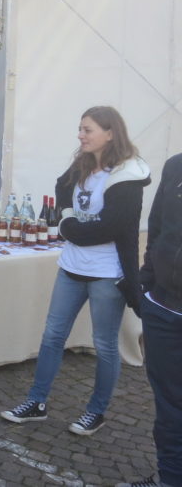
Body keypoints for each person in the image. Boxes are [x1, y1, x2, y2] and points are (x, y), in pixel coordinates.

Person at [1, 106, 150, 436]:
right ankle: (36, 402)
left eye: (87, 129)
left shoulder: (127, 175)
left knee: (105, 345)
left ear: (110, 133)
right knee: (52, 336)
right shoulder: (82, 164)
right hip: (71, 268)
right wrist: (68, 216)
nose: (80, 135)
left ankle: (96, 412)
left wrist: (69, 228)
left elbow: (112, 227)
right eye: (80, 129)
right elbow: (61, 186)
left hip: (107, 273)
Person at [117, 153, 182, 487]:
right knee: (170, 408)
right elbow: (156, 229)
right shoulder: (176, 166)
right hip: (164, 309)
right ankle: (169, 479)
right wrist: (146, 283)